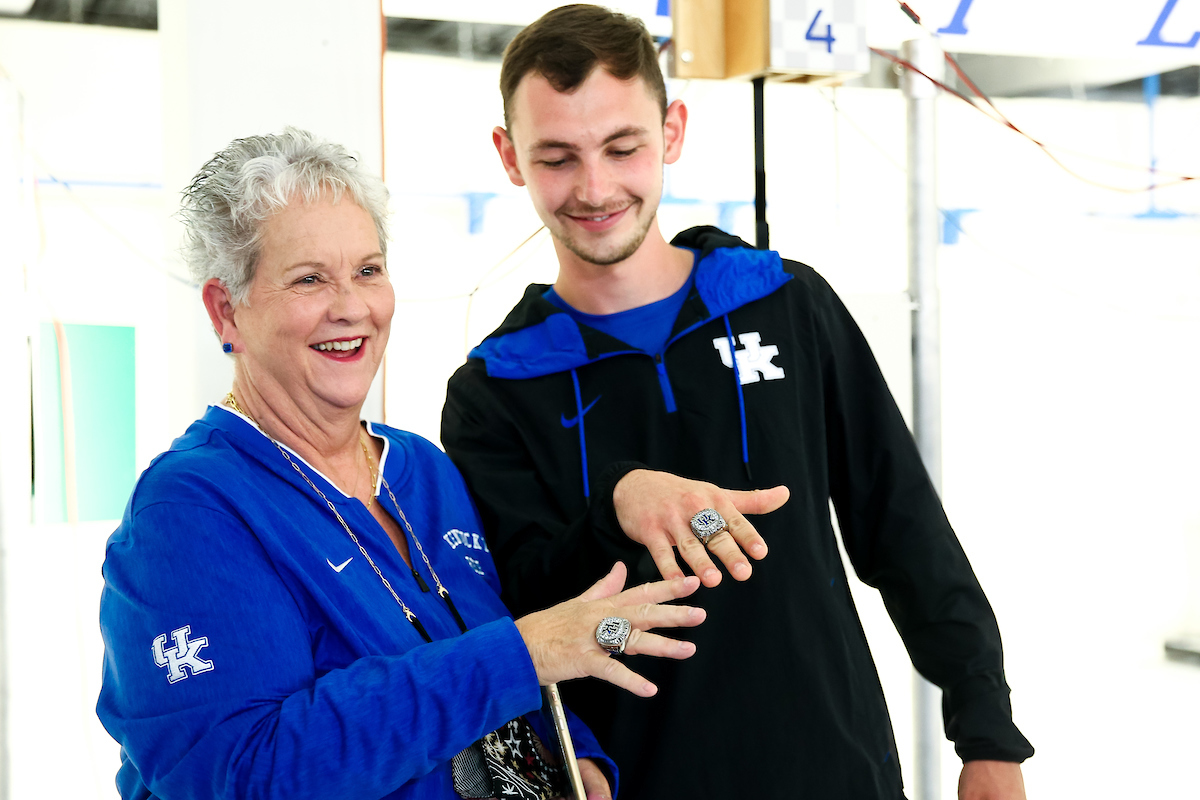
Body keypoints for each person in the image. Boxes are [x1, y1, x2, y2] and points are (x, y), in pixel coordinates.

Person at [440, 6, 1034, 800]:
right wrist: (617, 506)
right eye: (557, 157)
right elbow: (521, 615)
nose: (595, 187)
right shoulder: (497, 391)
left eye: (623, 148)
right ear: (509, 157)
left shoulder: (786, 305)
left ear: (673, 131)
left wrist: (987, 732)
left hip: (837, 771)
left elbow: (903, 528)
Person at [95, 128, 710, 800]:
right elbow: (242, 773)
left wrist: (573, 758)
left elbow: (484, 655)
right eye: (309, 279)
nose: (352, 307)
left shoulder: (422, 470)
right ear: (227, 310)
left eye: (367, 270)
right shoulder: (189, 512)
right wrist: (523, 653)